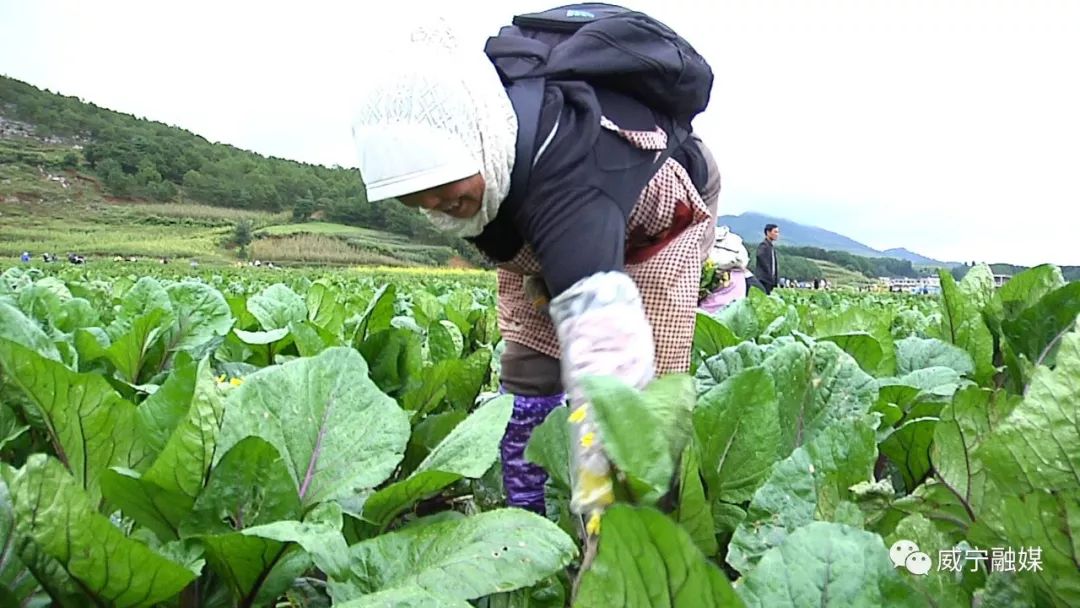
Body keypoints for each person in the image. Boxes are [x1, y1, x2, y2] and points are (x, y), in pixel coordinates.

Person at [350, 13, 718, 530]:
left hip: (659, 219)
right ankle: (526, 531)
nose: (435, 205)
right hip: (539, 217)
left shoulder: (570, 188)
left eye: (448, 188)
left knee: (640, 405)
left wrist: (601, 498)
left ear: (474, 142)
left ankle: (635, 541)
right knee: (529, 374)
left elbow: (609, 364)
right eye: (417, 199)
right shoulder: (488, 148)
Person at [755, 223, 780, 294]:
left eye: (778, 232)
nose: (777, 234)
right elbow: (760, 256)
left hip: (770, 281)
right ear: (768, 232)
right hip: (764, 280)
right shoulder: (764, 245)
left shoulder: (770, 247)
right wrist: (768, 272)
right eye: (775, 232)